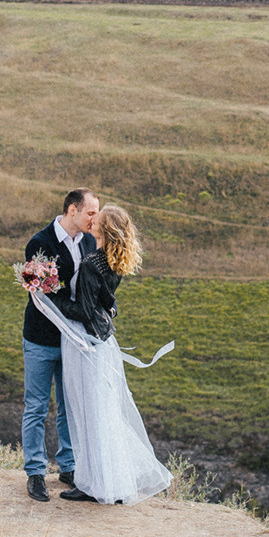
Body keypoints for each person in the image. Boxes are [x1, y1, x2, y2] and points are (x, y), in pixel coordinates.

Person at [41, 204, 173, 506]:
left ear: (104, 229)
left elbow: (85, 313)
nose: (92, 221)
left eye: (97, 219)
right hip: (104, 345)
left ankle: (91, 484)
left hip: (85, 345)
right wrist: (107, 310)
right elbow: (106, 300)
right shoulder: (112, 261)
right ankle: (107, 480)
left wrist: (50, 295)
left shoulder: (91, 263)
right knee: (103, 413)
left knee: (88, 414)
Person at [21, 188, 98, 502]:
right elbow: (37, 293)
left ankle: (68, 467)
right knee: (37, 407)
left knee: (70, 407)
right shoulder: (39, 243)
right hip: (41, 338)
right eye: (90, 213)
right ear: (72, 211)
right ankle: (36, 473)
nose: (95, 218)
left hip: (74, 339)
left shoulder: (91, 242)